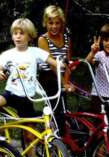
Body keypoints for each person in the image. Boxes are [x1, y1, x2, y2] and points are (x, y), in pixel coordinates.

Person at [0, 18, 61, 157]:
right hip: (10, 93)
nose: (17, 36)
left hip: (28, 97)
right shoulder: (8, 54)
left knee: (29, 133)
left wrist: (62, 65)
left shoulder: (35, 52)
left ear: (30, 36)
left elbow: (55, 63)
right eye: (15, 33)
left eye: (21, 33)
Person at [37, 5, 73, 136]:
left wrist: (67, 82)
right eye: (50, 23)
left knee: (63, 106)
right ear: (45, 23)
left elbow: (68, 63)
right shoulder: (43, 39)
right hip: (48, 75)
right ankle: (54, 136)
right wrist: (64, 84)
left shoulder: (67, 39)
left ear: (61, 23)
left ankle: (61, 134)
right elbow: (52, 65)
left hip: (62, 75)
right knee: (55, 108)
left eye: (57, 23)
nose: (54, 26)